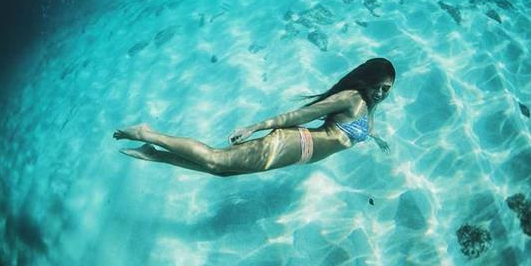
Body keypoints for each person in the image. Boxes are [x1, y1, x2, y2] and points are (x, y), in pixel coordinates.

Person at [113, 58, 395, 177]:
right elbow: (298, 115)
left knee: (222, 171)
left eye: (387, 89)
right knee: (215, 159)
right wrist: (253, 127)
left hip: (297, 154)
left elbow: (360, 129)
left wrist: (375, 136)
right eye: (380, 86)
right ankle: (147, 134)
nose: (382, 93)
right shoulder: (350, 98)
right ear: (367, 81)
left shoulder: (370, 105)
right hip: (291, 144)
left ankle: (155, 154)